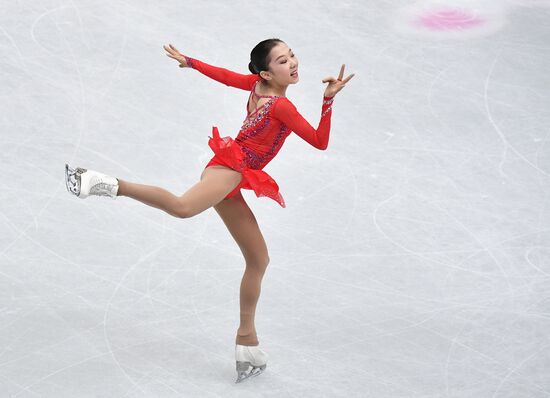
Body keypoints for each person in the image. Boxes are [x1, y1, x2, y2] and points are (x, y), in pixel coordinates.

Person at [64, 38, 354, 383]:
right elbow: (320, 141)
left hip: (231, 173)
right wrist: (327, 101)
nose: (292, 63)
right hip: (229, 171)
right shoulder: (281, 107)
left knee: (258, 259)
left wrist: (191, 61)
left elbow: (227, 76)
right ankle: (103, 183)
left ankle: (247, 343)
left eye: (291, 55)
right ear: (265, 72)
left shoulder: (257, 85)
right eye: (281, 60)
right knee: (183, 207)